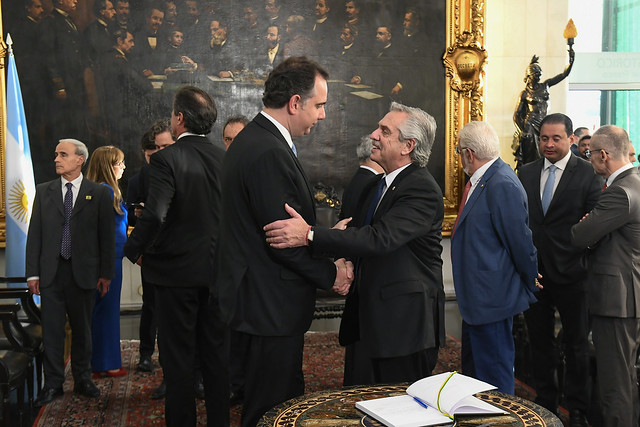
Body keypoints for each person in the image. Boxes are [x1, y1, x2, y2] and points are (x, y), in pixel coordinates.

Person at [214, 56, 353, 426]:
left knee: (278, 402)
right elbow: (282, 240)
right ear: (295, 102)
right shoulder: (267, 151)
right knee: (270, 410)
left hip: (260, 302)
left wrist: (322, 240)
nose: (322, 115)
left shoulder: (258, 140)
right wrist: (331, 274)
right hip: (267, 306)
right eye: (319, 105)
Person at [264, 102, 446, 385]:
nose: (374, 134)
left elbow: (379, 239)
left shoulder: (422, 189)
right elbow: (354, 234)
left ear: (408, 146)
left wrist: (309, 234)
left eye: (385, 131)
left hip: (402, 328)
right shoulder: (378, 185)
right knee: (358, 400)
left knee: (396, 404)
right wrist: (340, 260)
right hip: (367, 320)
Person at [124, 86, 228, 426]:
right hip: (218, 275)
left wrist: (132, 248)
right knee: (216, 359)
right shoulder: (225, 159)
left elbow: (155, 215)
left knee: (179, 361)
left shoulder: (166, 159)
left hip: (176, 277)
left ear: (179, 118)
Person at [517, 113, 602, 424]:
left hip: (574, 274)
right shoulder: (526, 172)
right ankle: (546, 402)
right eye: (544, 138)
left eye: (556, 138)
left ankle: (578, 409)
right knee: (539, 342)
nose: (549, 144)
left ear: (571, 139)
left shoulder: (588, 173)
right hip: (535, 274)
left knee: (576, 344)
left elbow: (595, 222)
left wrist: (581, 259)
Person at [451, 121, 539, 394]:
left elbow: (520, 242)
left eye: (459, 151)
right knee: (475, 376)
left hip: (493, 298)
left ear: (469, 153)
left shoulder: (501, 183)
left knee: (494, 380)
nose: (459, 157)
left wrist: (531, 278)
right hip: (478, 299)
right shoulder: (485, 179)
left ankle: (499, 417)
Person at [26, 139, 115, 406]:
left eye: (62, 154)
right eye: (56, 154)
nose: (56, 159)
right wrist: (32, 274)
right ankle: (53, 383)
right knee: (52, 332)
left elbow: (106, 237)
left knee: (83, 330)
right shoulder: (44, 191)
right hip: (51, 274)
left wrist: (106, 273)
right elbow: (35, 235)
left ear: (80, 160)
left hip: (84, 274)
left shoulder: (98, 194)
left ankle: (83, 379)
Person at [571, 125, 640, 427]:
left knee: (615, 387)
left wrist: (589, 228)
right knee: (625, 380)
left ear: (603, 155)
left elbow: (579, 235)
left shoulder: (619, 192)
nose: (588, 160)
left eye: (589, 154)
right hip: (626, 297)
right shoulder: (634, 183)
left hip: (617, 302)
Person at [86, 146, 128, 378]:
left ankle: (102, 361)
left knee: (104, 310)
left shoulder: (102, 190)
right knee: (107, 311)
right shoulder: (105, 191)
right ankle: (107, 363)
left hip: (109, 258)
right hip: (108, 261)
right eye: (119, 163)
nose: (123, 167)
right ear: (108, 166)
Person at [513, 49, 574, 170]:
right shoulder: (525, 93)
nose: (538, 77)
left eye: (539, 74)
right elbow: (516, 115)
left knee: (545, 151)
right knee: (531, 154)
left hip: (544, 123)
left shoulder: (545, 85)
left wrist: (571, 61)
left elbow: (564, 75)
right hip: (530, 125)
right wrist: (522, 131)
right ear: (529, 76)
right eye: (535, 75)